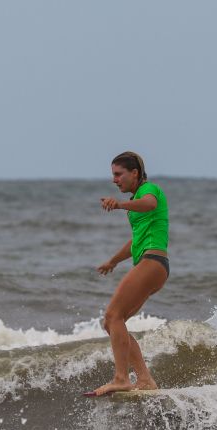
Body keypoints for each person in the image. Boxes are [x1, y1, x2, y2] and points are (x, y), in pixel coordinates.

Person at [85, 151, 169, 396]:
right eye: (113, 175)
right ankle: (145, 379)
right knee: (112, 323)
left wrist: (120, 204)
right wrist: (113, 261)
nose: (115, 180)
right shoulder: (136, 204)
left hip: (153, 262)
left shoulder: (149, 190)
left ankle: (121, 378)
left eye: (118, 174)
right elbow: (135, 241)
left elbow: (150, 204)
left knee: (113, 315)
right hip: (152, 264)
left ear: (135, 173)